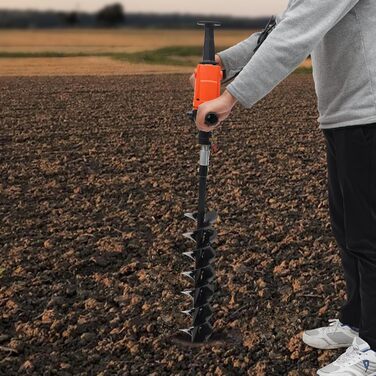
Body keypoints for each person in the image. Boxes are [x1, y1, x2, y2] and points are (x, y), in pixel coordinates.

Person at [191, 0, 376, 374]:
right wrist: (225, 62)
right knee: (346, 228)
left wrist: (233, 96)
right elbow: (281, 27)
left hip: (367, 112)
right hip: (343, 114)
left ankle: (373, 345)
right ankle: (357, 320)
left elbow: (297, 33)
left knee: (367, 236)